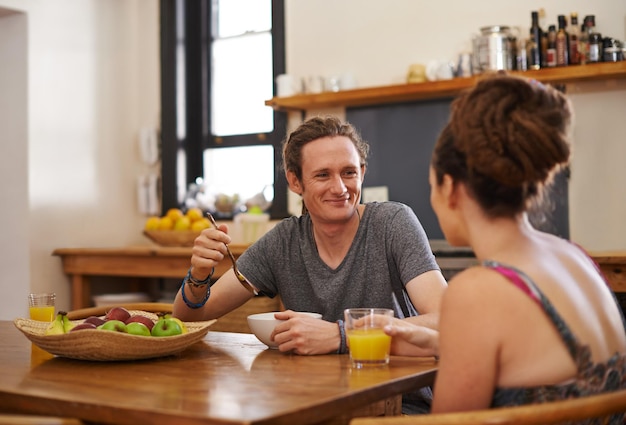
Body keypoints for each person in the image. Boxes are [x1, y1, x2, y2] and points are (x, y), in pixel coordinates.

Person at [385, 73, 626, 419]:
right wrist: (444, 345)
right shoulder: (574, 256)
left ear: (450, 187)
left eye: (432, 185)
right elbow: (544, 365)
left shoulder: (479, 291)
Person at [173, 115, 448, 413]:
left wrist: (340, 335)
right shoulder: (283, 241)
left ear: (363, 172)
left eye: (349, 172)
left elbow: (448, 319)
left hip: (399, 407)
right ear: (295, 181)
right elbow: (190, 318)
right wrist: (198, 275)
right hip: (311, 405)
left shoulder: (393, 223)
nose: (340, 187)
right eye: (322, 175)